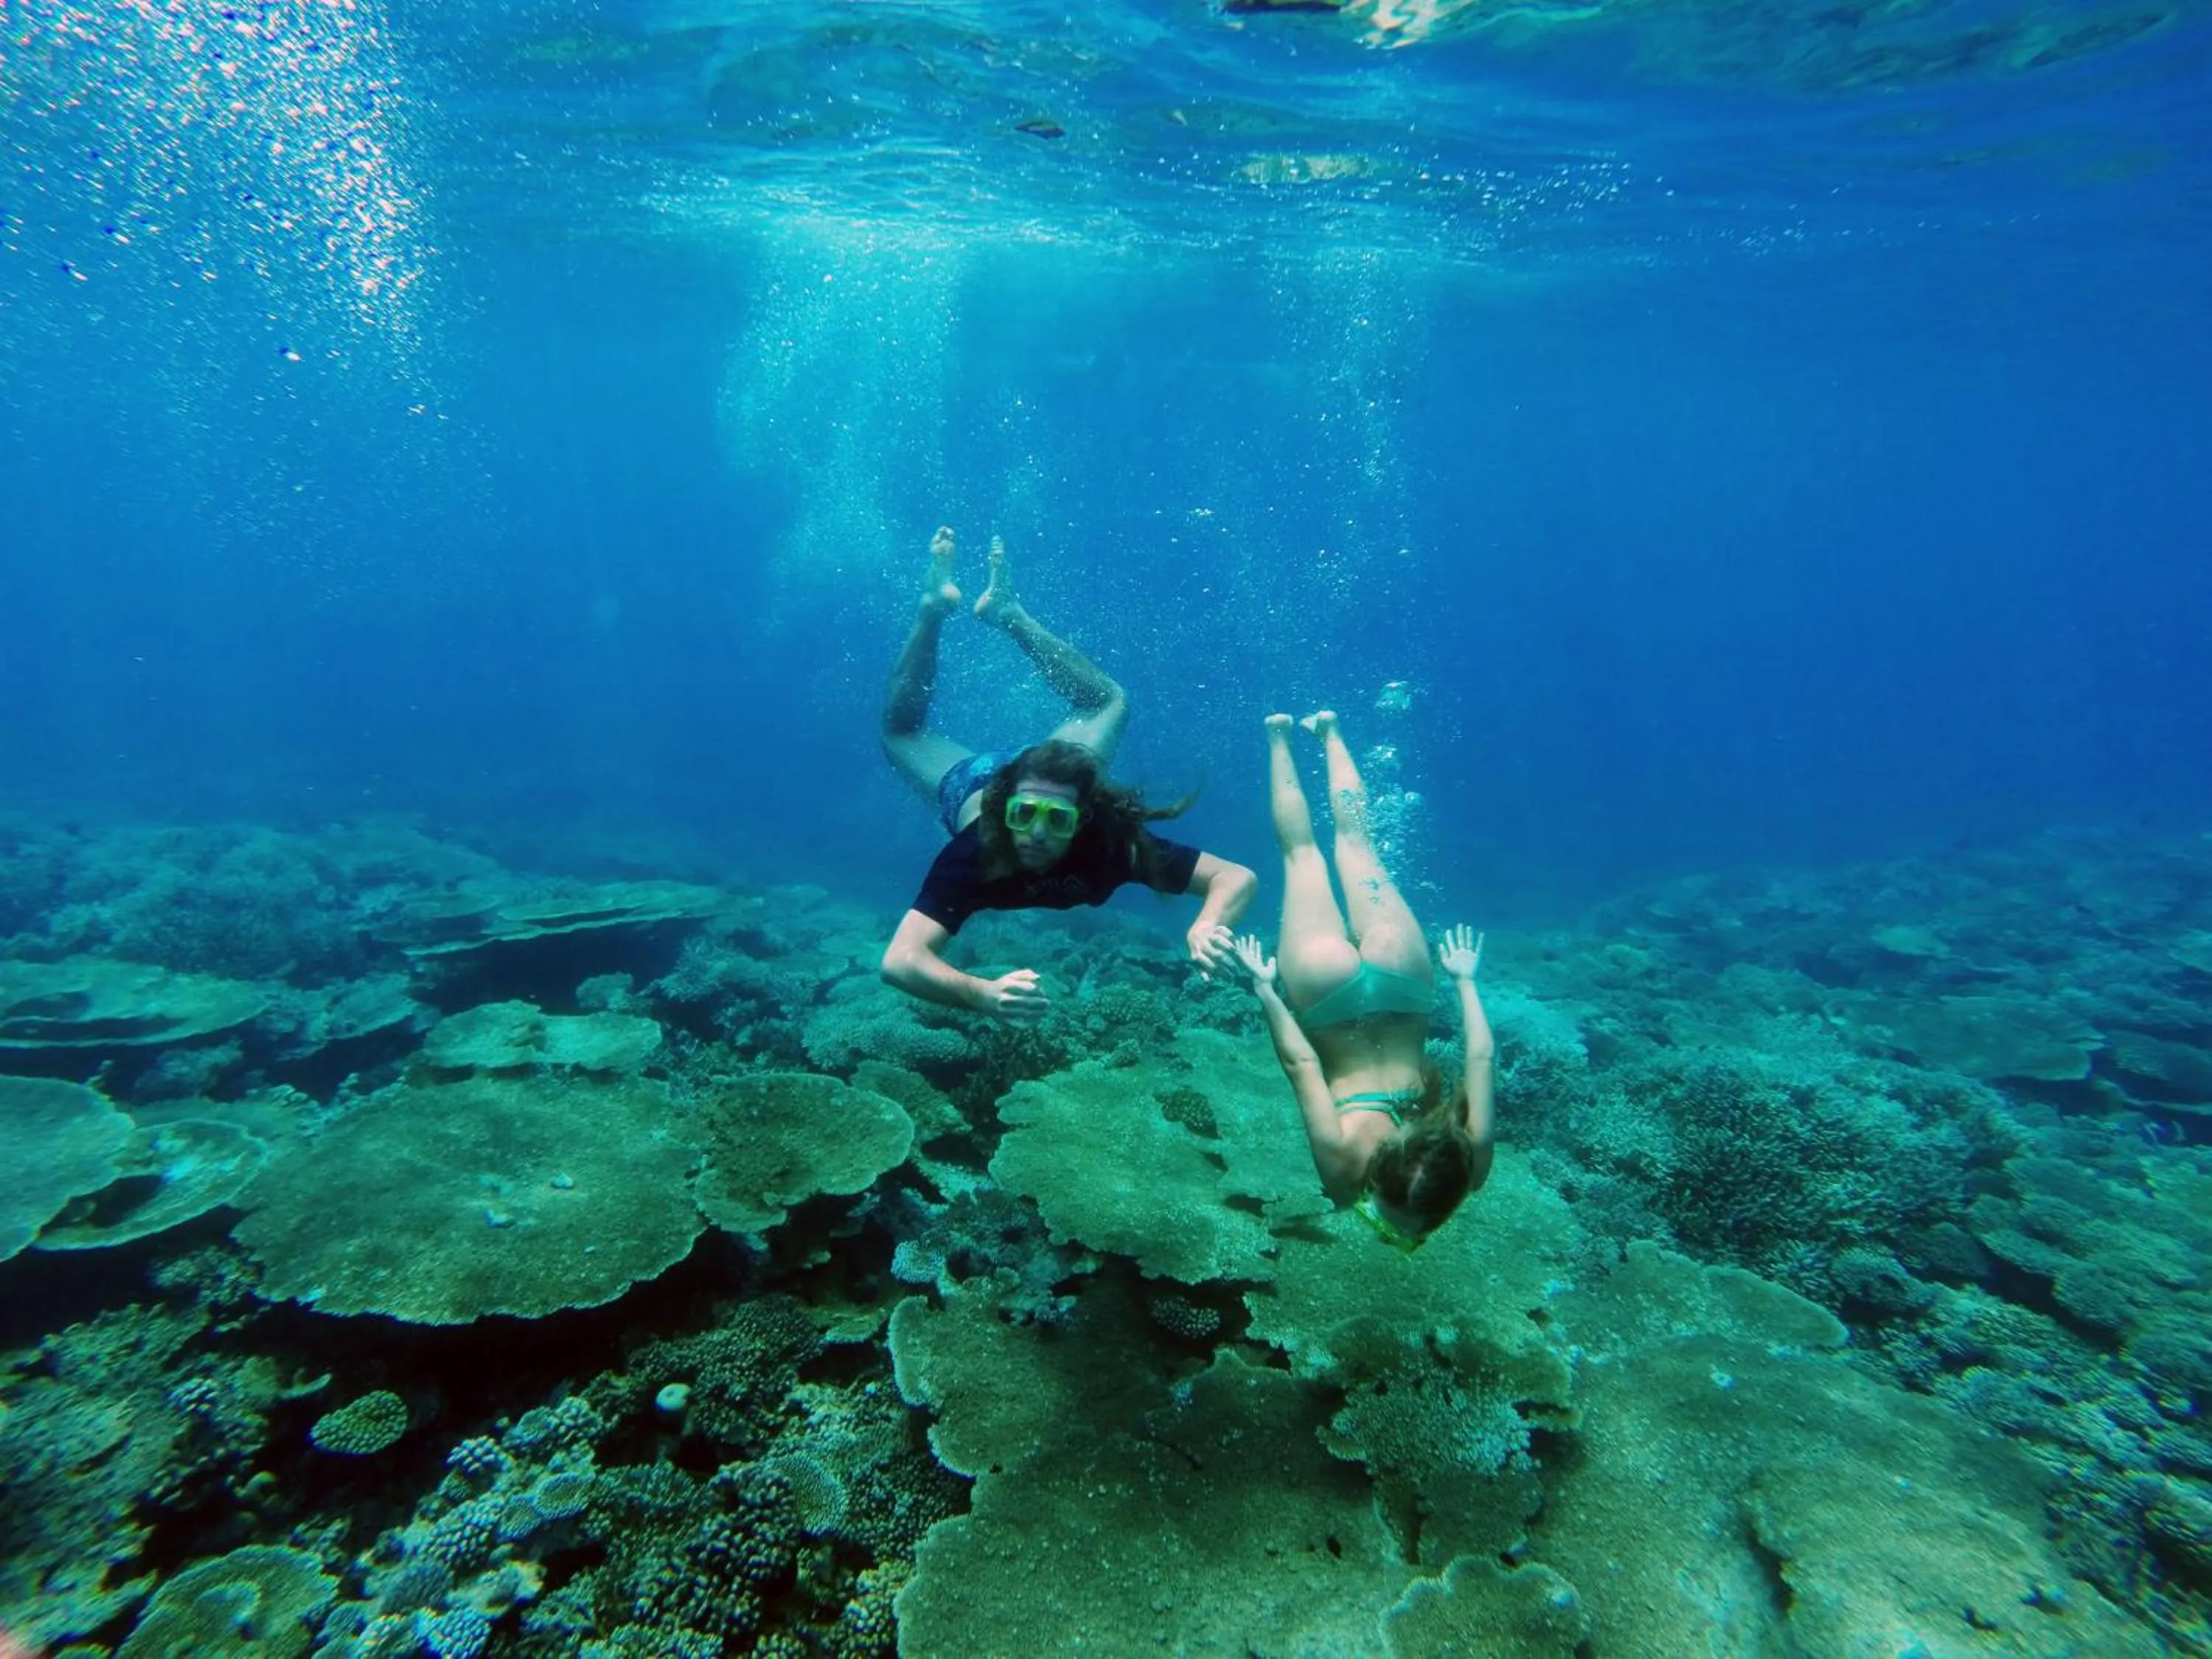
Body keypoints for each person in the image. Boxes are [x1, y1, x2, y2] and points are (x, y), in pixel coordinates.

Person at [878, 526, 1256, 1023]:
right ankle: (934, 608)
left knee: (1107, 701)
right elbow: (899, 962)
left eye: (1055, 819)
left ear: (1083, 819)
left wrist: (1208, 925)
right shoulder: (974, 855)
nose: (1035, 833)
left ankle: (1006, 612)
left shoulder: (1112, 842)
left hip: (1050, 767)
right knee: (900, 733)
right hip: (974, 781)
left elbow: (1236, 879)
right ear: (1005, 811)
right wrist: (981, 994)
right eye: (1024, 815)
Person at [1231, 711, 1494, 1251]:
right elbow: (1301, 1065)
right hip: (1324, 994)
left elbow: (1481, 1060)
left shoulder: (1472, 1161)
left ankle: (1329, 731)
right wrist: (1263, 988)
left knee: (1359, 844)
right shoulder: (1345, 1177)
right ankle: (1277, 735)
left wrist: (1465, 980)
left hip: (1405, 984)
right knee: (1300, 855)